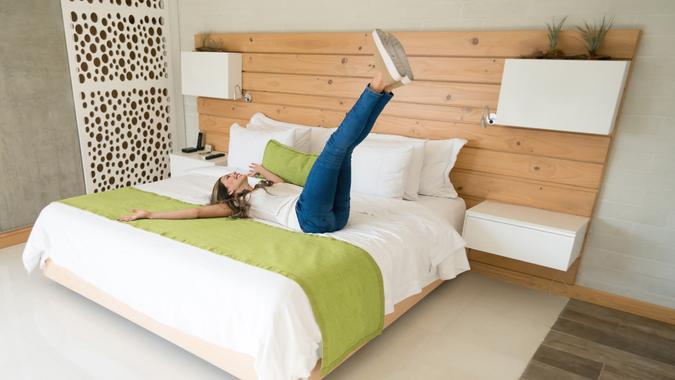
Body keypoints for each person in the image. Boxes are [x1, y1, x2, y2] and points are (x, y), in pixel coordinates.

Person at [119, 29, 414, 233]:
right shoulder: (237, 205)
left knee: (346, 148)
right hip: (309, 218)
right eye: (229, 177)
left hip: (335, 218)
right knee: (336, 145)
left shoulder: (263, 184)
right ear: (229, 193)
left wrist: (262, 170)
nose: (233, 173)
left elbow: (282, 181)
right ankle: (378, 81)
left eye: (230, 173)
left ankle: (387, 86)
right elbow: (195, 213)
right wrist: (150, 214)